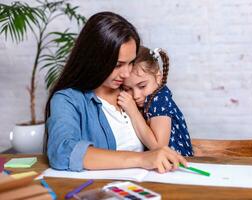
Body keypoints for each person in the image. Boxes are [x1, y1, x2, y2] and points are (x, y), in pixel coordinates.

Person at [45, 12, 187, 173]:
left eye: (131, 62)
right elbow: (62, 151)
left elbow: (162, 139)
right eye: (118, 65)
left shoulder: (134, 91)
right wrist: (142, 159)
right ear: (94, 59)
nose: (127, 74)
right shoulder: (68, 99)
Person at [118, 46, 193, 156]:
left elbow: (159, 147)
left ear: (158, 77)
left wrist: (133, 112)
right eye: (127, 89)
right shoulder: (152, 97)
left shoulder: (159, 100)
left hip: (176, 166)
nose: (135, 95)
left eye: (142, 86)